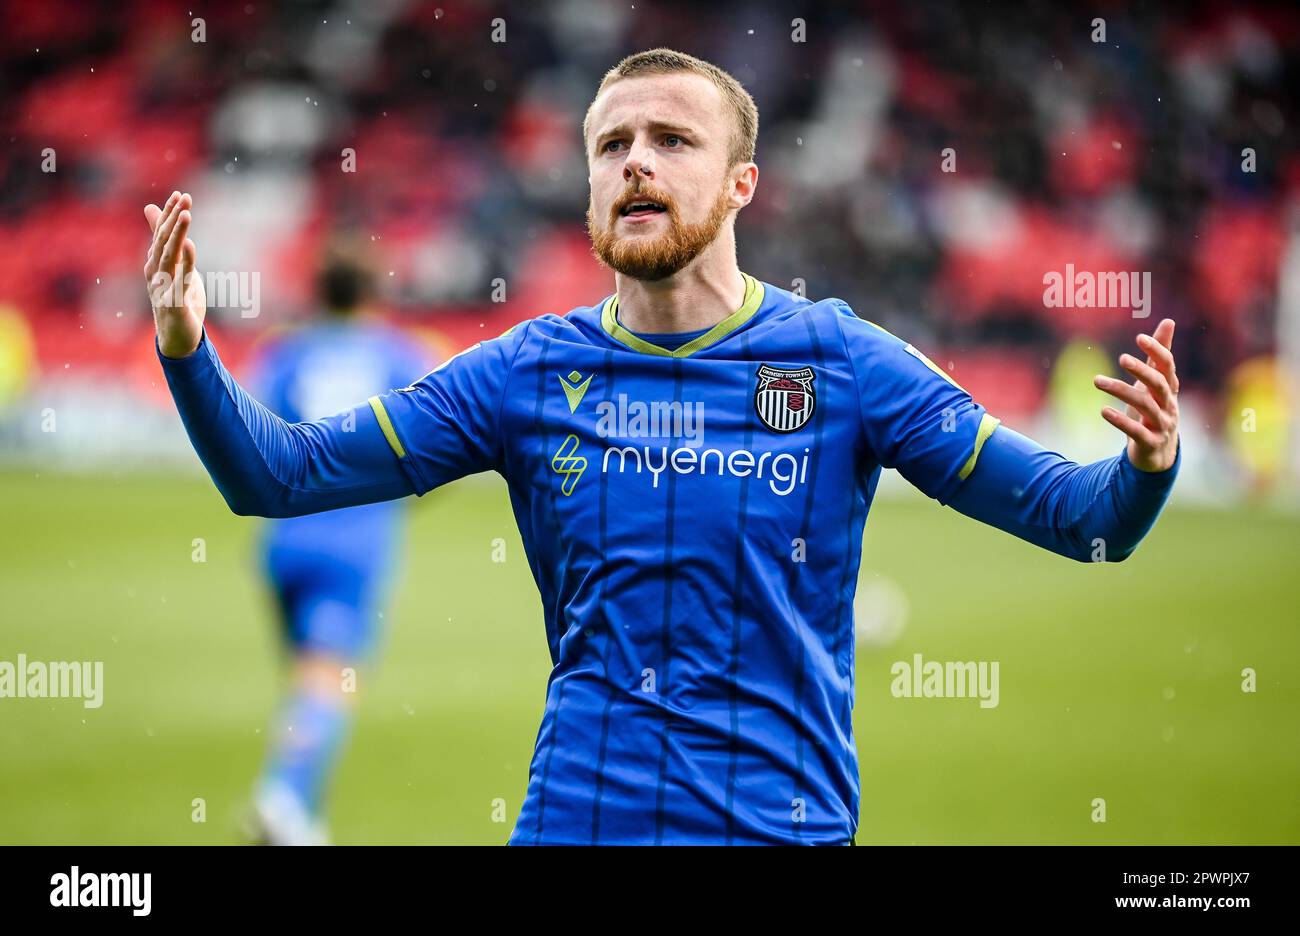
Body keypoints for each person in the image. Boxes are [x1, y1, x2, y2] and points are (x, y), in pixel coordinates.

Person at [143, 49, 1181, 845]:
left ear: (740, 185)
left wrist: (1143, 468)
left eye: (673, 141)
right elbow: (272, 475)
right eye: (611, 145)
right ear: (591, 188)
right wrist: (189, 349)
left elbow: (1081, 522)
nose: (636, 159)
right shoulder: (525, 373)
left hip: (786, 827)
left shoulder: (842, 363)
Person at [249, 255, 428, 845]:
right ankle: (282, 794)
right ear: (373, 290)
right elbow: (434, 449)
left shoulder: (287, 353)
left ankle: (304, 819)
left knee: (307, 679)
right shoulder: (397, 355)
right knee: (330, 681)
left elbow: (254, 436)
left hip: (284, 539)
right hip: (354, 543)